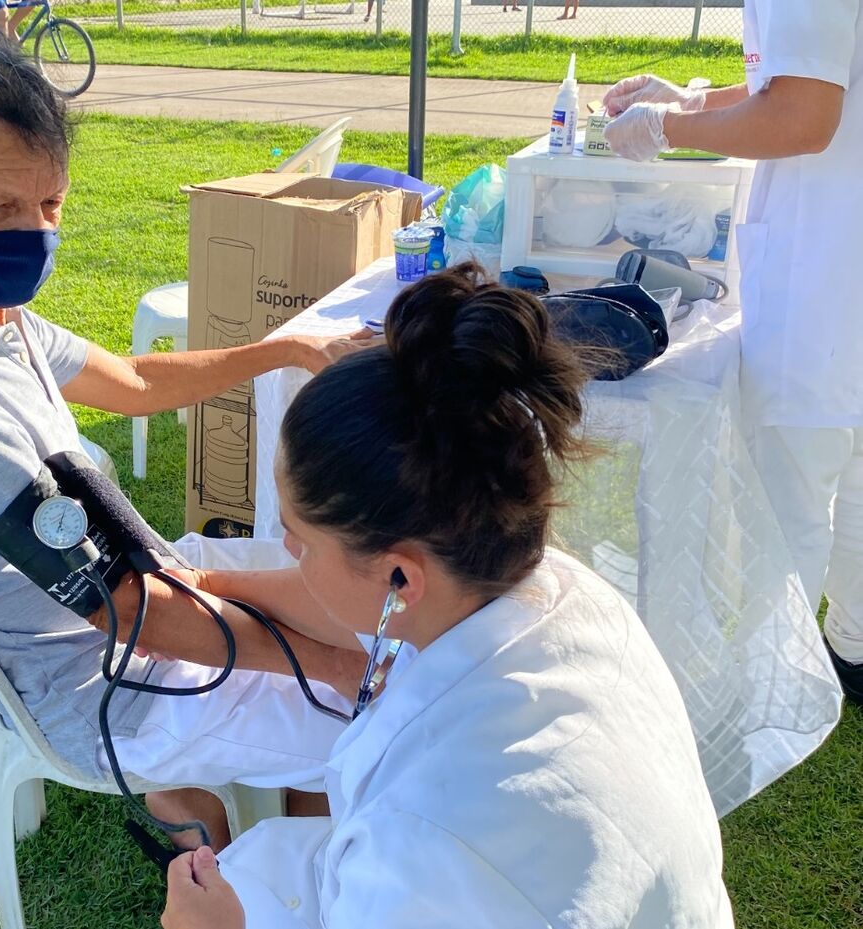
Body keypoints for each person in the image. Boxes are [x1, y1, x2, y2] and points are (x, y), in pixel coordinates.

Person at [0, 20, 374, 847]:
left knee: (363, 598)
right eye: (0, 206)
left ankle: (213, 812)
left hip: (141, 590)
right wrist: (334, 670)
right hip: (111, 684)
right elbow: (125, 613)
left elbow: (137, 382)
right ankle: (300, 864)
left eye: (49, 204)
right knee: (377, 712)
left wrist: (284, 347)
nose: (32, 233)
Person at [160, 266, 735, 928]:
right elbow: (338, 599)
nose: (285, 555)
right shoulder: (565, 592)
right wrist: (208, 582)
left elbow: (422, 863)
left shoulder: (429, 843)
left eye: (297, 540)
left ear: (400, 578)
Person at [601, 2, 863, 704]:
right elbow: (795, 84)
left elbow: (802, 116)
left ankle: (769, 695)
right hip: (842, 265)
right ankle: (853, 648)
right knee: (854, 475)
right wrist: (688, 100)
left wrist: (669, 126)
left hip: (827, 278)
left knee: (788, 505)